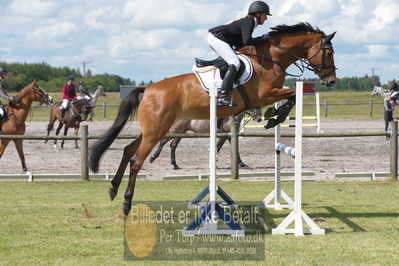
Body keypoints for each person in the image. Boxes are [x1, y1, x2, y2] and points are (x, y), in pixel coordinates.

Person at [208, 1, 271, 106]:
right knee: (235, 62)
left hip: (219, 38)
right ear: (258, 14)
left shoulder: (251, 23)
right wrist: (262, 39)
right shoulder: (249, 21)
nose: (266, 18)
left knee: (236, 59)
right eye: (265, 15)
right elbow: (247, 41)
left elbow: (241, 43)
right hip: (216, 37)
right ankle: (222, 96)